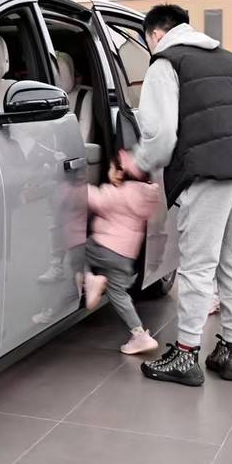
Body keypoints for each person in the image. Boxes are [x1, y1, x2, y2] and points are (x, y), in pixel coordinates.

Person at [129, 5, 232, 387]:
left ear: (156, 35)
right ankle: (228, 352)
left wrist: (137, 165)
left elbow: (161, 135)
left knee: (198, 266)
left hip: (211, 172)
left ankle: (185, 353)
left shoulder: (166, 61)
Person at [67, 150, 162, 355]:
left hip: (103, 247)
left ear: (120, 173)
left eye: (111, 167)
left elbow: (95, 198)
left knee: (77, 249)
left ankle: (90, 279)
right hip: (125, 257)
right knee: (118, 293)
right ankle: (140, 335)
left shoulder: (117, 193)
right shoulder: (145, 196)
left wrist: (74, 187)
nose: (108, 171)